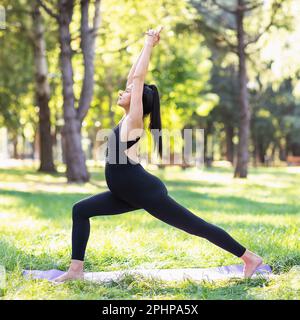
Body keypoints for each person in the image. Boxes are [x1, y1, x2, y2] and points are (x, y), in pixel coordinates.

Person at [54, 27, 263, 282]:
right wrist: (143, 51)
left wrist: (149, 43)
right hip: (126, 193)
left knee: (197, 227)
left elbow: (139, 78)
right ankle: (76, 270)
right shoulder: (125, 120)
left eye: (128, 91)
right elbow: (135, 77)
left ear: (138, 100)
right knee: (81, 210)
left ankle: (249, 257)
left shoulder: (134, 122)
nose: (123, 91)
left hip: (145, 192)